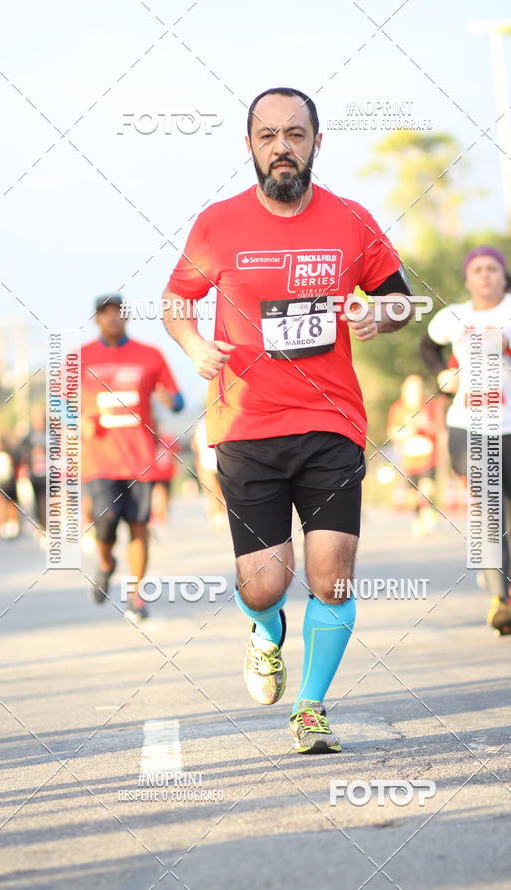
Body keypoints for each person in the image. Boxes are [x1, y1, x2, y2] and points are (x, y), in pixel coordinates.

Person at [162, 86, 413, 753]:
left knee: (332, 574)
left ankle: (310, 707)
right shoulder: (217, 224)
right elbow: (176, 302)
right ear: (249, 145)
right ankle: (265, 628)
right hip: (244, 425)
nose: (282, 147)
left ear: (316, 143)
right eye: (268, 134)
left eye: (295, 134)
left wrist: (375, 314)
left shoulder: (352, 221)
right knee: (265, 581)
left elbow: (399, 299)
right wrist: (195, 348)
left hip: (331, 423)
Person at [421, 246, 511, 635]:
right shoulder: (453, 316)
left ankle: (507, 594)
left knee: (510, 517)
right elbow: (427, 345)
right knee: (486, 510)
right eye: (477, 269)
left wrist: (508, 345)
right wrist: (442, 378)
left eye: (493, 268)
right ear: (467, 279)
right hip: (468, 424)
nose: (485, 275)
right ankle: (499, 598)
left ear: (503, 274)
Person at [81, 294, 184, 621]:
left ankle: (136, 595)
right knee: (106, 521)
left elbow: (178, 399)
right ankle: (107, 562)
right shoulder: (80, 358)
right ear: (96, 319)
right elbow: (58, 403)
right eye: (105, 313)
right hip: (100, 459)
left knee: (139, 526)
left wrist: (171, 401)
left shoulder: (150, 355)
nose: (112, 318)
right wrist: (77, 418)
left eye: (118, 313)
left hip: (140, 458)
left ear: (126, 317)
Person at [387, 374, 438, 536]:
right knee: (412, 496)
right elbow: (392, 431)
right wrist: (405, 431)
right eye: (411, 389)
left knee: (427, 488)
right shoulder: (398, 408)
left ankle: (428, 513)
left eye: (417, 389)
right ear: (404, 390)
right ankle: (419, 517)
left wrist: (425, 423)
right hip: (408, 458)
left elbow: (437, 428)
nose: (415, 392)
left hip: (428, 455)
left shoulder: (429, 406)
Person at [18, 404, 47, 547]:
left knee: (47, 502)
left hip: (50, 474)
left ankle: (48, 529)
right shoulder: (29, 436)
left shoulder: (51, 432)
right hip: (35, 475)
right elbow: (21, 452)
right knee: (37, 502)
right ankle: (42, 528)